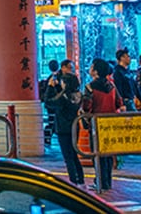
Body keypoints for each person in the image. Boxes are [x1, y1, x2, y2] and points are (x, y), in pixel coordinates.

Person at [82, 58, 123, 191]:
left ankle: (99, 181)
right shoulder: (112, 86)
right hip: (110, 125)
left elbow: (87, 107)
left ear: (95, 71)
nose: (90, 68)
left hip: (96, 126)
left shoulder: (90, 87)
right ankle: (107, 182)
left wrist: (85, 119)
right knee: (108, 155)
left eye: (91, 66)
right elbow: (119, 102)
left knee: (97, 155)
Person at [44, 60, 84, 188]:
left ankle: (73, 183)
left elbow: (49, 102)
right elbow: (60, 97)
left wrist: (50, 88)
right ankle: (81, 181)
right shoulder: (78, 95)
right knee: (74, 155)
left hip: (63, 128)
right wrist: (57, 88)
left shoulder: (63, 97)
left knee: (68, 157)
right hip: (74, 126)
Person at [40, 60, 60, 146]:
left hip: (50, 105)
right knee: (54, 121)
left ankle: (47, 136)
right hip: (55, 104)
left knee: (52, 121)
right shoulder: (57, 77)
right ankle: (47, 135)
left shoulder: (50, 77)